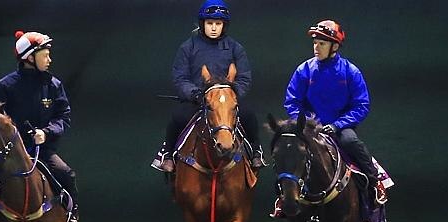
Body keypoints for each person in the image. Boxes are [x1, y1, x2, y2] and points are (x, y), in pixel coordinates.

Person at [0, 30, 79, 222]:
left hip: (42, 151)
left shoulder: (54, 85)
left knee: (67, 174)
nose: (49, 59)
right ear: (29, 57)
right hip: (9, 153)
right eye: (45, 55)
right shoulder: (5, 86)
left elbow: (63, 116)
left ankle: (72, 210)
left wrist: (46, 133)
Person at [151, 0, 266, 172]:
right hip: (197, 100)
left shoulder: (236, 48)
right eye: (210, 23)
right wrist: (194, 94)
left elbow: (243, 78)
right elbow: (180, 77)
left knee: (249, 115)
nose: (213, 27)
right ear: (202, 24)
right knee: (177, 117)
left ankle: (257, 152)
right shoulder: (188, 47)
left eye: (218, 24)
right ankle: (166, 154)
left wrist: (232, 94)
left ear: (224, 25)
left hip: (226, 101)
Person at [284, 20, 387, 204]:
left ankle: (374, 181)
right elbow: (292, 101)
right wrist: (310, 122)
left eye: (321, 43)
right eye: (314, 43)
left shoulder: (350, 71)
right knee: (289, 147)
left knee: (351, 141)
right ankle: (285, 198)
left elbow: (361, 105)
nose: (316, 47)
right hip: (311, 127)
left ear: (335, 46)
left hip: (340, 126)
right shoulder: (304, 70)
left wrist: (337, 124)